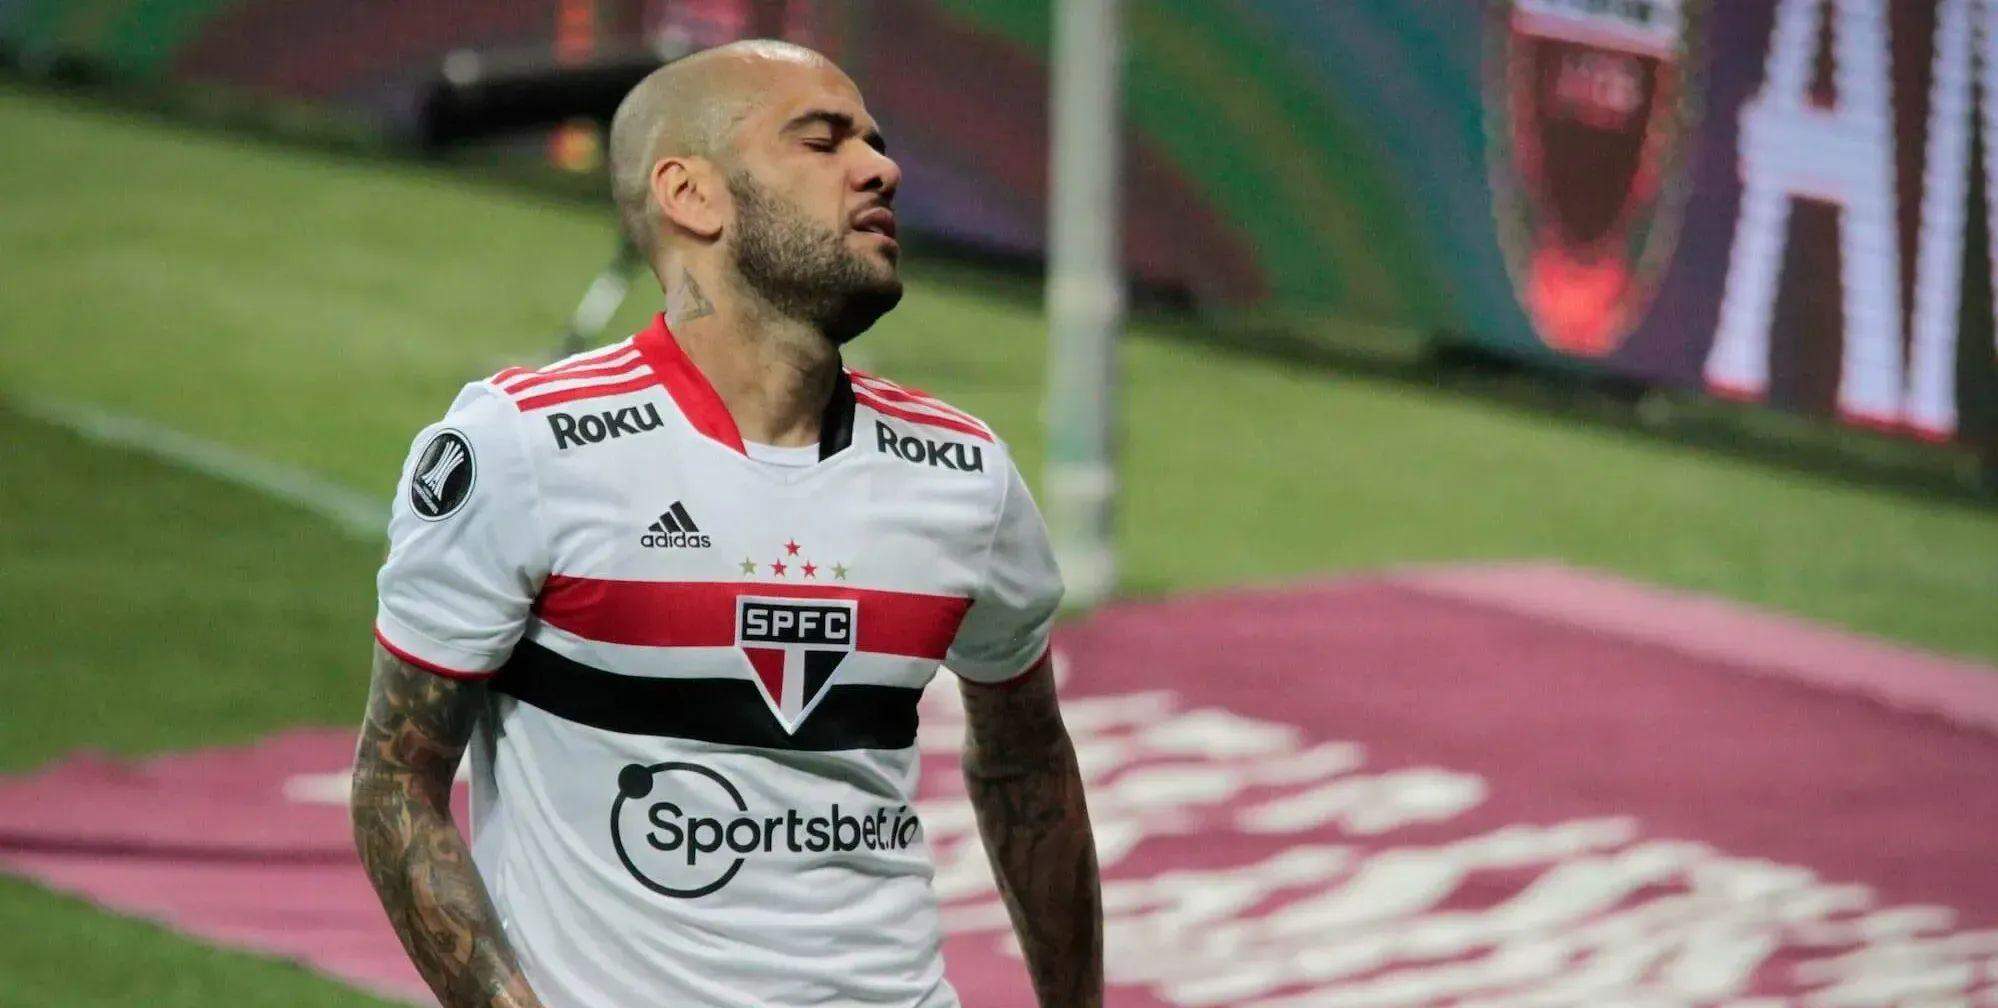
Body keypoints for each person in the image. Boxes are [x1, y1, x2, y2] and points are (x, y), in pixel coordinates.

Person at [349, 39, 1103, 1008]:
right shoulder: (523, 450)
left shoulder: (963, 475)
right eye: (822, 141)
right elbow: (396, 782)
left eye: (874, 143)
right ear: (691, 195)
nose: (880, 169)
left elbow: (1028, 761)